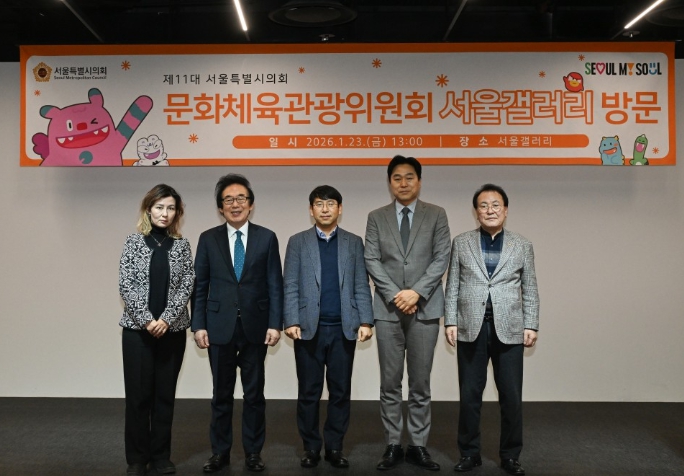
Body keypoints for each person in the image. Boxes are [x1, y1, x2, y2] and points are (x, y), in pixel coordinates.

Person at [444, 184, 539, 476]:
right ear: (476, 212)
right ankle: (469, 453)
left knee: (511, 397)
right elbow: (452, 285)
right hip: (471, 327)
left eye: (496, 205)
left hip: (509, 329)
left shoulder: (522, 245)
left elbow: (530, 288)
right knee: (470, 395)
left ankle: (510, 456)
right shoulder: (462, 242)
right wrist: (450, 321)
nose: (490, 210)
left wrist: (531, 324)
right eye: (484, 206)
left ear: (506, 210)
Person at [192, 174, 284, 473]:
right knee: (221, 394)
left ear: (251, 204)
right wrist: (198, 325)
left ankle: (253, 452)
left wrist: (275, 323)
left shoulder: (267, 237)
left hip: (256, 326)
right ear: (220, 207)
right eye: (228, 200)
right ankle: (220, 452)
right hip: (219, 327)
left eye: (241, 198)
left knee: (254, 395)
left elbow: (275, 284)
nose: (235, 204)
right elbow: (200, 285)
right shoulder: (208, 238)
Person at [364, 155, 451, 471]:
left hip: (425, 308)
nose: (403, 183)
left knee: (420, 383)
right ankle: (392, 444)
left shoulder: (436, 214)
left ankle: (417, 445)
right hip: (387, 309)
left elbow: (442, 257)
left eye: (409, 177)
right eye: (397, 178)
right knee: (389, 382)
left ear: (419, 180)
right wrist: (395, 294)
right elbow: (371, 259)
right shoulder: (376, 217)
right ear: (390, 182)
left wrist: (416, 292)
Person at [283, 185, 374, 469]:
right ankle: (311, 447)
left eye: (331, 203)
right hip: (308, 328)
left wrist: (366, 320)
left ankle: (334, 447)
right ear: (311, 210)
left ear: (340, 208)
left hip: (343, 328)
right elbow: (291, 284)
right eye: (319, 204)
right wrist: (291, 319)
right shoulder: (298, 242)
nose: (325, 209)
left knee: (340, 391)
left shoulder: (353, 242)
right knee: (309, 392)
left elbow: (361, 284)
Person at [119, 184, 195, 476]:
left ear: (177, 213)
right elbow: (126, 283)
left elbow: (187, 284)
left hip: (172, 333)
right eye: (160, 207)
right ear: (148, 209)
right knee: (138, 398)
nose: (165, 213)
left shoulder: (182, 245)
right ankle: (137, 459)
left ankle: (161, 456)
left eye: (171, 208)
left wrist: (166, 319)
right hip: (137, 334)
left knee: (165, 397)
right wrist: (147, 320)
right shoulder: (133, 242)